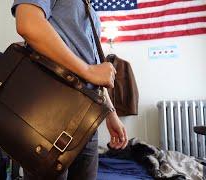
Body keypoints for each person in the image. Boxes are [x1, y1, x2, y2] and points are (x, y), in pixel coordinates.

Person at [11, 0, 128, 179]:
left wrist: (110, 113)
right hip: (51, 110)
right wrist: (88, 71)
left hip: (88, 117)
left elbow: (93, 64)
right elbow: (28, 23)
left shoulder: (90, 8)